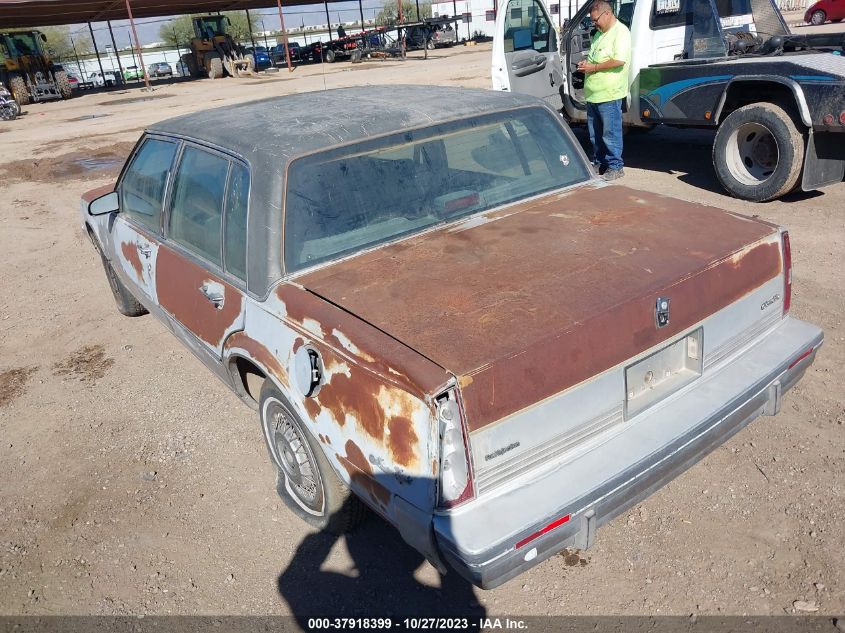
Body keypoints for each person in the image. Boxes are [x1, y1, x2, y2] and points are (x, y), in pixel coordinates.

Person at [576, 0, 631, 181]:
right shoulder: (599, 34)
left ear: (607, 14)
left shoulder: (620, 32)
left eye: (595, 20)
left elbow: (619, 60)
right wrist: (586, 64)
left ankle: (615, 166)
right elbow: (594, 58)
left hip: (609, 94)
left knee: (610, 133)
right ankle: (599, 162)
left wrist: (594, 68)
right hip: (594, 94)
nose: (594, 23)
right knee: (595, 135)